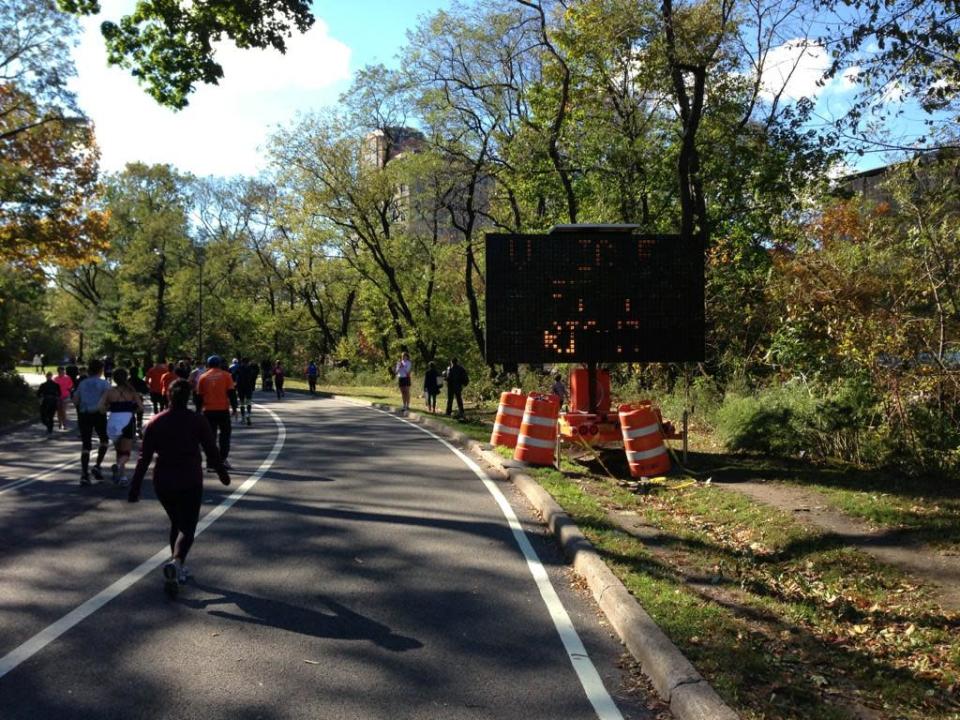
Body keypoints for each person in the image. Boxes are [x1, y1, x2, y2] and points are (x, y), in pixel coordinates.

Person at [128, 379, 231, 597]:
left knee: (177, 521)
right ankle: (176, 563)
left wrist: (135, 487)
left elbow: (143, 458)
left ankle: (177, 565)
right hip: (189, 479)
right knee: (188, 527)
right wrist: (222, 474)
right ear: (190, 398)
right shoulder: (198, 421)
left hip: (163, 480)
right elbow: (211, 450)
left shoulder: (155, 422)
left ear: (168, 396)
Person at [98, 368, 144, 487]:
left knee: (119, 450)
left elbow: (100, 407)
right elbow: (141, 407)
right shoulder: (131, 392)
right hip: (127, 421)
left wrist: (108, 409)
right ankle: (118, 467)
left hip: (113, 421)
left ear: (114, 378)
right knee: (126, 452)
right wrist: (132, 409)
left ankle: (122, 476)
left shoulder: (109, 391)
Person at [72, 358, 111, 485]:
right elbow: (109, 400)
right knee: (104, 440)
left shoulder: (82, 383)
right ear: (101, 370)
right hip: (99, 414)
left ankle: (84, 474)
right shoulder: (104, 384)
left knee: (86, 444)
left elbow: (75, 400)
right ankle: (97, 465)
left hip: (84, 414)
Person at [196, 355, 238, 470]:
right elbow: (231, 393)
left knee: (210, 437)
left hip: (208, 411)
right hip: (222, 410)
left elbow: (199, 396)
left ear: (208, 365)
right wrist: (235, 408)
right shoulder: (226, 376)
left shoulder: (203, 377)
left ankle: (210, 462)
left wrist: (198, 412)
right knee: (225, 436)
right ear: (219, 364)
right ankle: (222, 459)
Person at [236, 358, 258, 425]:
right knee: (248, 402)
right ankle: (248, 415)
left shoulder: (239, 368)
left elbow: (234, 376)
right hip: (249, 388)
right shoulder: (251, 369)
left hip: (240, 388)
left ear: (242, 362)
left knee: (242, 403)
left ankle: (243, 418)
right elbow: (254, 378)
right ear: (248, 362)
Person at [52, 366, 73, 430]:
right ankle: (60, 423)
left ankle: (65, 424)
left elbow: (71, 384)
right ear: (58, 372)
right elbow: (53, 387)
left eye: (63, 372)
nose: (62, 373)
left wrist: (68, 389)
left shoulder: (67, 377)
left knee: (63, 410)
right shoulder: (55, 379)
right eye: (60, 372)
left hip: (65, 396)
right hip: (58, 396)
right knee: (59, 411)